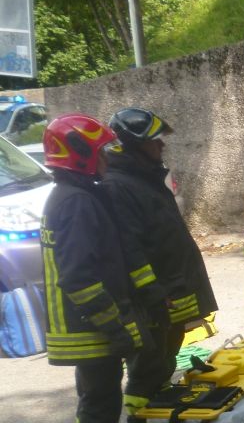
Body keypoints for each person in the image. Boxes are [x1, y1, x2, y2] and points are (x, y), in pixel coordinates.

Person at [101, 107, 218, 417]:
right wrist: (153, 292)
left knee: (168, 349)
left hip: (172, 287)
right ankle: (139, 412)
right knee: (149, 361)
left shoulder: (145, 178)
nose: (162, 146)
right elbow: (130, 249)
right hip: (154, 296)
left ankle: (158, 401)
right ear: (132, 146)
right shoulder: (119, 186)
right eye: (155, 141)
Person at [40, 114, 153, 422]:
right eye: (101, 150)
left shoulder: (68, 196)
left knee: (95, 401)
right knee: (100, 407)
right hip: (89, 330)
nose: (107, 156)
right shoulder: (77, 202)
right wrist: (115, 328)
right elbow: (79, 278)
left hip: (84, 326)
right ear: (80, 154)